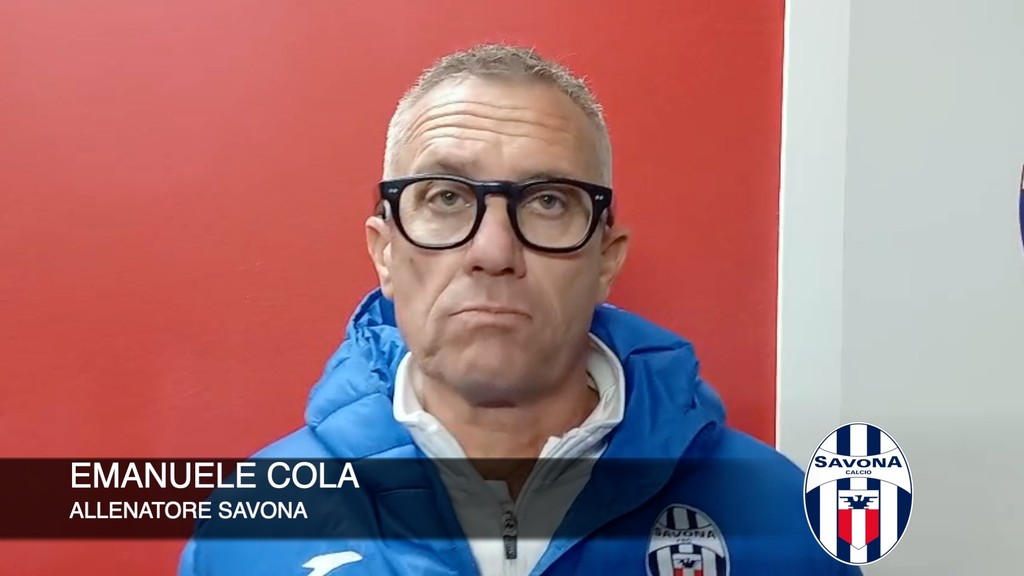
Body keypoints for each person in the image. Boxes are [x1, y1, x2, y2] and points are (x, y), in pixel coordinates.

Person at [179, 44, 860, 576]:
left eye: (548, 202)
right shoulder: (252, 525)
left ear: (606, 260)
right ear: (384, 252)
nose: (494, 251)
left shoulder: (783, 518)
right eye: (446, 197)